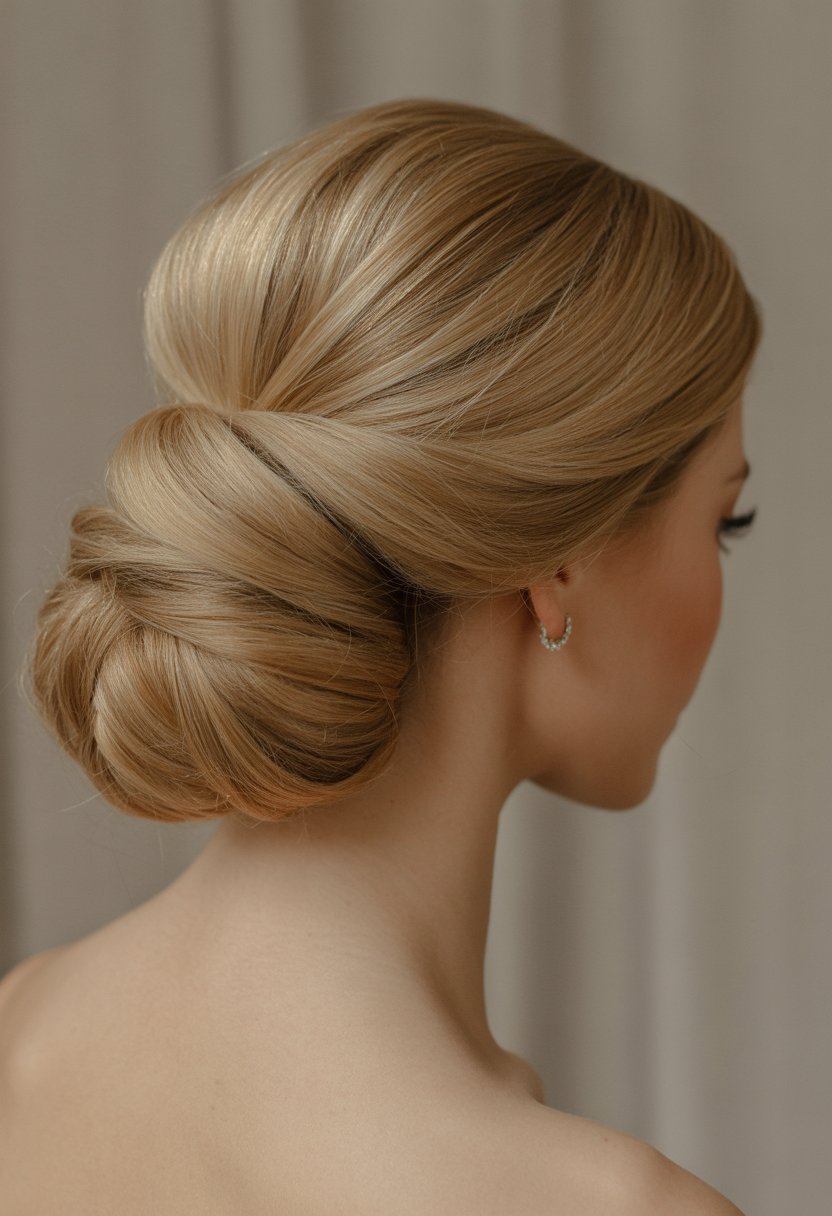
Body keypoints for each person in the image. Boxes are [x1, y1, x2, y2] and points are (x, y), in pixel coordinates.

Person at [1, 99, 758, 1213]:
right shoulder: (596, 1204)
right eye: (723, 521)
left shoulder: (21, 1031)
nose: (719, 580)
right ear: (561, 565)